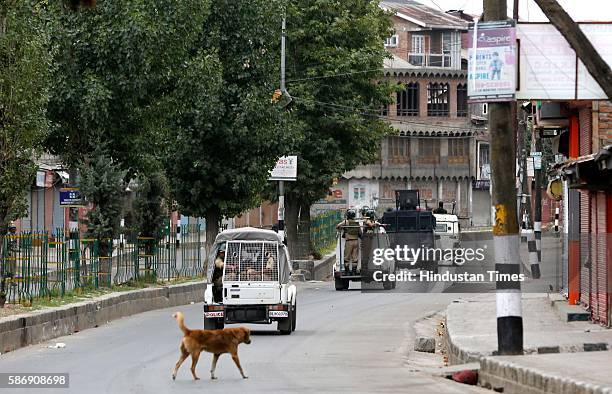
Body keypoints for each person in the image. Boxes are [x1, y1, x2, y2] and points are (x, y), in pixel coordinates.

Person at [336, 209, 361, 275]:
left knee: (346, 257)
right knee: (355, 258)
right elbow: (360, 233)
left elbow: (338, 226)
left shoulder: (346, 222)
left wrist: (343, 228)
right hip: (356, 241)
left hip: (349, 242)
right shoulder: (357, 223)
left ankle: (347, 272)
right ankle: (354, 272)